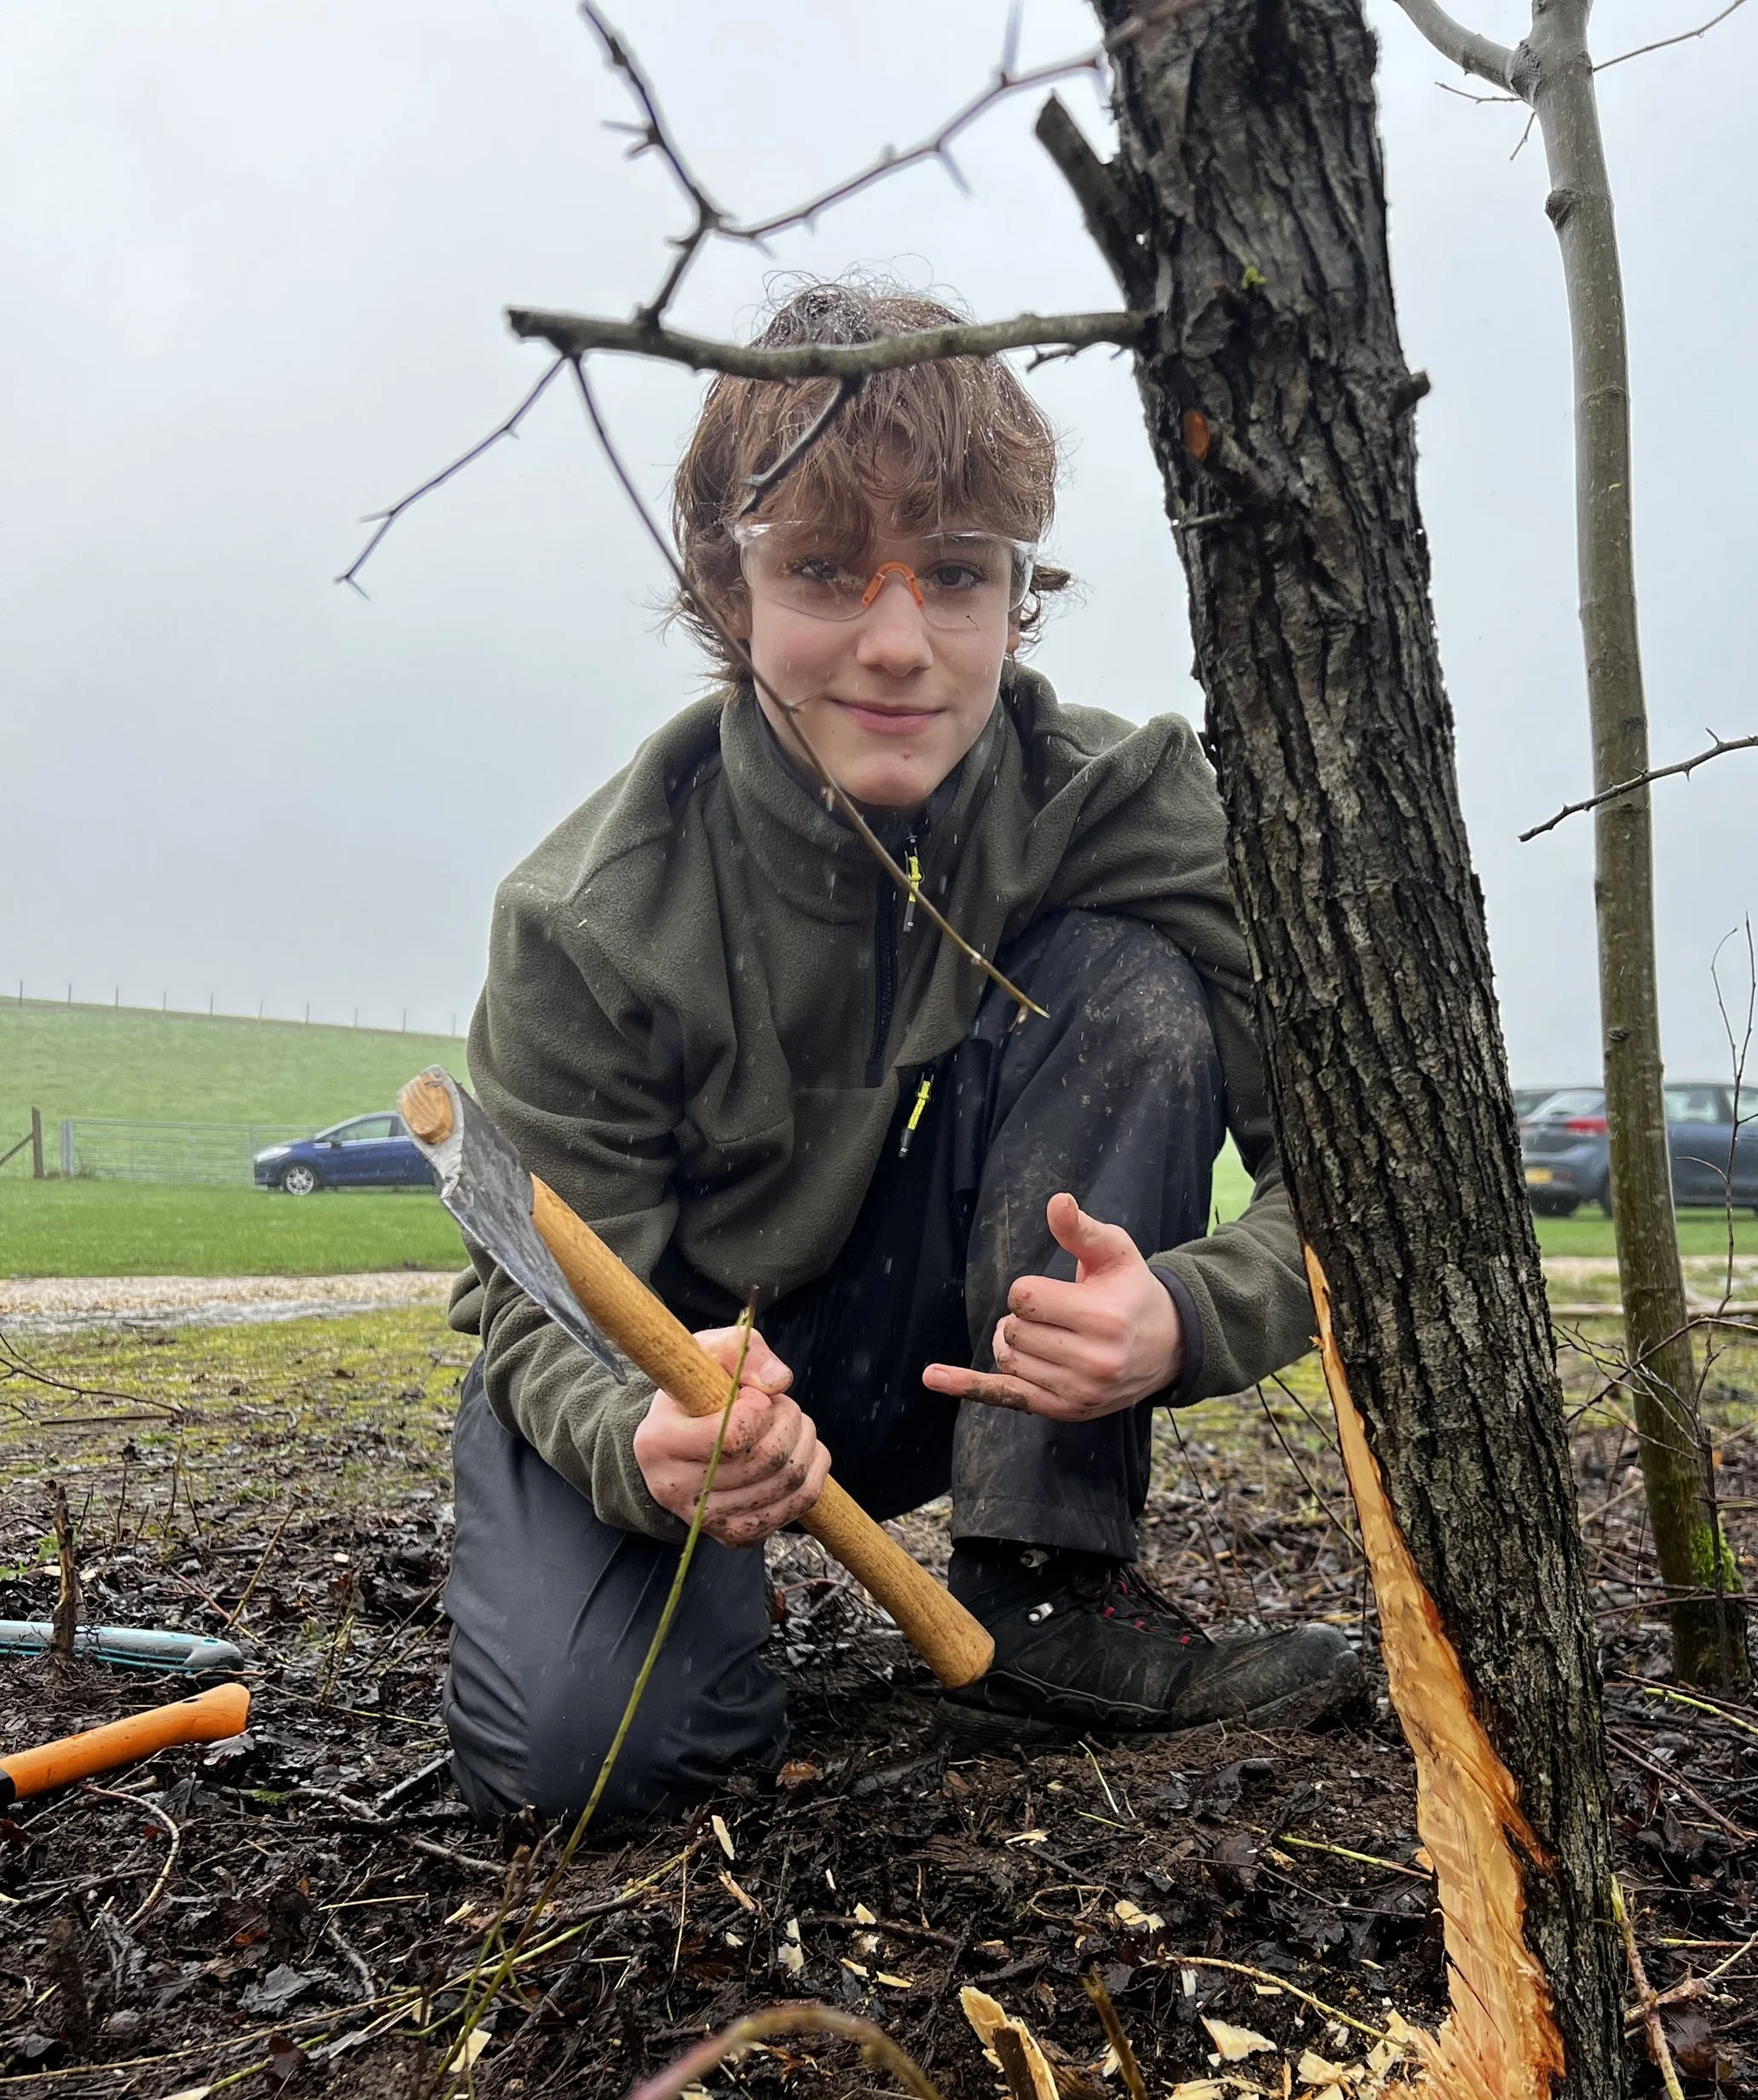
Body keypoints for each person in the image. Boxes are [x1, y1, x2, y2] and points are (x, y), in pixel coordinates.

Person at [442, 279, 1356, 1816]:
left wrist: (1186, 1316)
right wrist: (642, 1431)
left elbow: (1360, 1183)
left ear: (1018, 595)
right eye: (822, 573)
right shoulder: (584, 920)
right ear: (727, 595)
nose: (896, 645)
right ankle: (673, 1614)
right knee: (593, 1768)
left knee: (1128, 978)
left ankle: (1044, 1592)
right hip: (677, 1386)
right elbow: (532, 1300)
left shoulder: (1126, 811)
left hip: (945, 1356)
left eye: (953, 575)